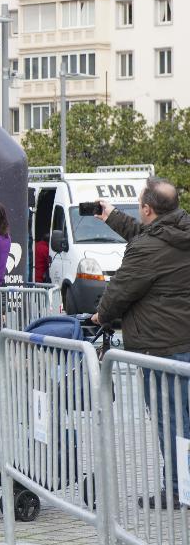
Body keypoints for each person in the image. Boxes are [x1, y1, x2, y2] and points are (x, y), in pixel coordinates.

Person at [91, 179, 190, 507]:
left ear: (148, 209)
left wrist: (101, 315)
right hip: (184, 340)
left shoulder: (148, 248)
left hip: (160, 345)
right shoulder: (180, 232)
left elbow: (121, 290)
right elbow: (151, 237)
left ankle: (177, 489)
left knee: (171, 420)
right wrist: (112, 216)